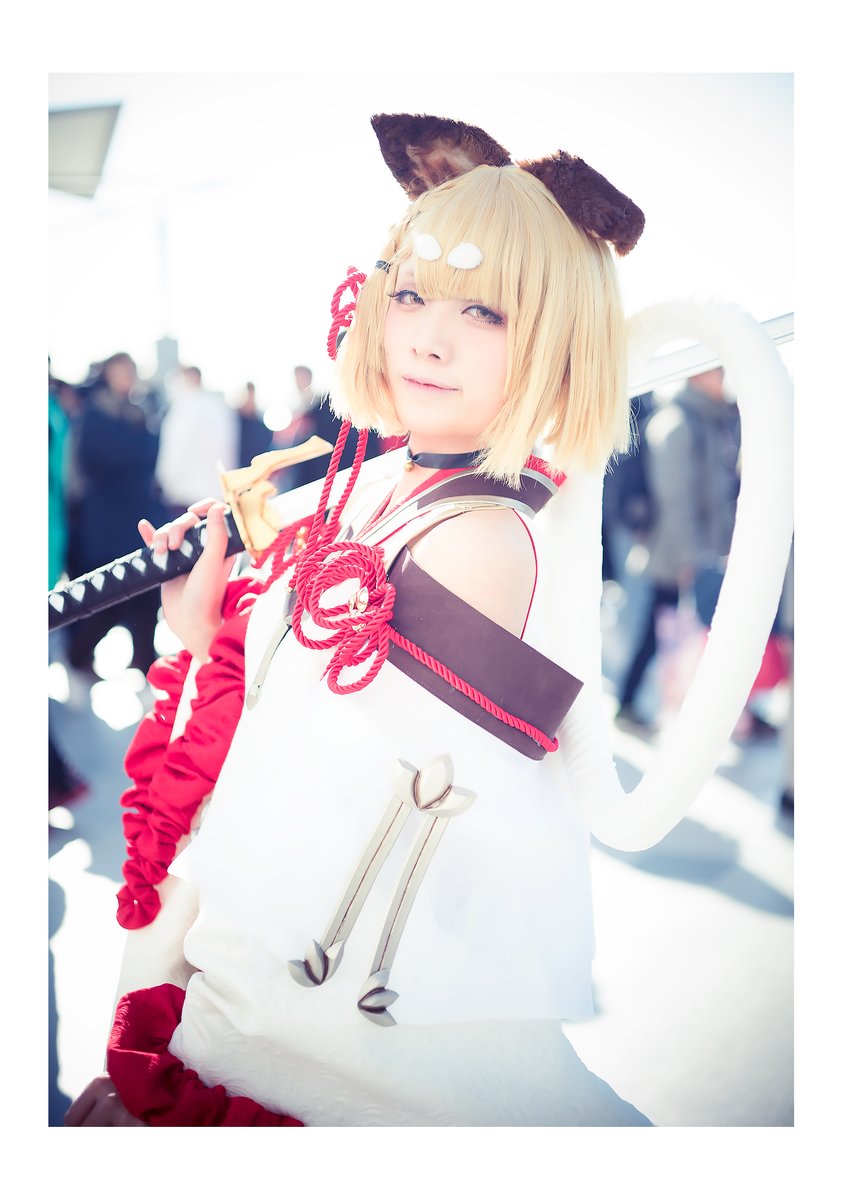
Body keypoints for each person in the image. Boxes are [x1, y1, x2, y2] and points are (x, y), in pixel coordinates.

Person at [65, 113, 788, 1128]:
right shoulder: (385, 479)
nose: (428, 336)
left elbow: (331, 787)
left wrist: (233, 631)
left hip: (335, 1017)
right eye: (409, 292)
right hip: (258, 957)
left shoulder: (479, 536)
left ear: (555, 341)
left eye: (484, 311)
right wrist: (215, 624)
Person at [614, 367, 741, 726]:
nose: (724, 379)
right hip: (677, 554)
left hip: (700, 552)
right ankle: (629, 703)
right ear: (696, 375)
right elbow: (675, 501)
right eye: (717, 372)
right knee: (661, 632)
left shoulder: (710, 418)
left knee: (673, 631)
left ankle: (636, 702)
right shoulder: (678, 423)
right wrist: (689, 559)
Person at [64, 352, 168, 677]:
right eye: (122, 370)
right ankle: (78, 657)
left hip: (136, 519)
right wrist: (139, 444)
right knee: (109, 597)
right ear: (108, 374)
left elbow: (147, 455)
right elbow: (116, 456)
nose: (127, 377)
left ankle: (146, 663)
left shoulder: (139, 411)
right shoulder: (96, 412)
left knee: (146, 593)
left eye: (131, 371)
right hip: (106, 523)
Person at [156, 366, 239, 516]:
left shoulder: (184, 407)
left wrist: (163, 481)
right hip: (218, 493)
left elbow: (175, 451)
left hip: (186, 496)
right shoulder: (220, 407)